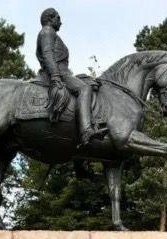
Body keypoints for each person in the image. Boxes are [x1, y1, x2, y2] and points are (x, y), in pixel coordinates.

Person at [36, 7, 108, 146]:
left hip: (64, 73)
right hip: (59, 73)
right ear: (50, 19)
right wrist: (55, 76)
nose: (61, 22)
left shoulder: (51, 33)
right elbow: (48, 54)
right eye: (58, 18)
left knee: (88, 81)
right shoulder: (47, 31)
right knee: (84, 89)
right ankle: (86, 131)